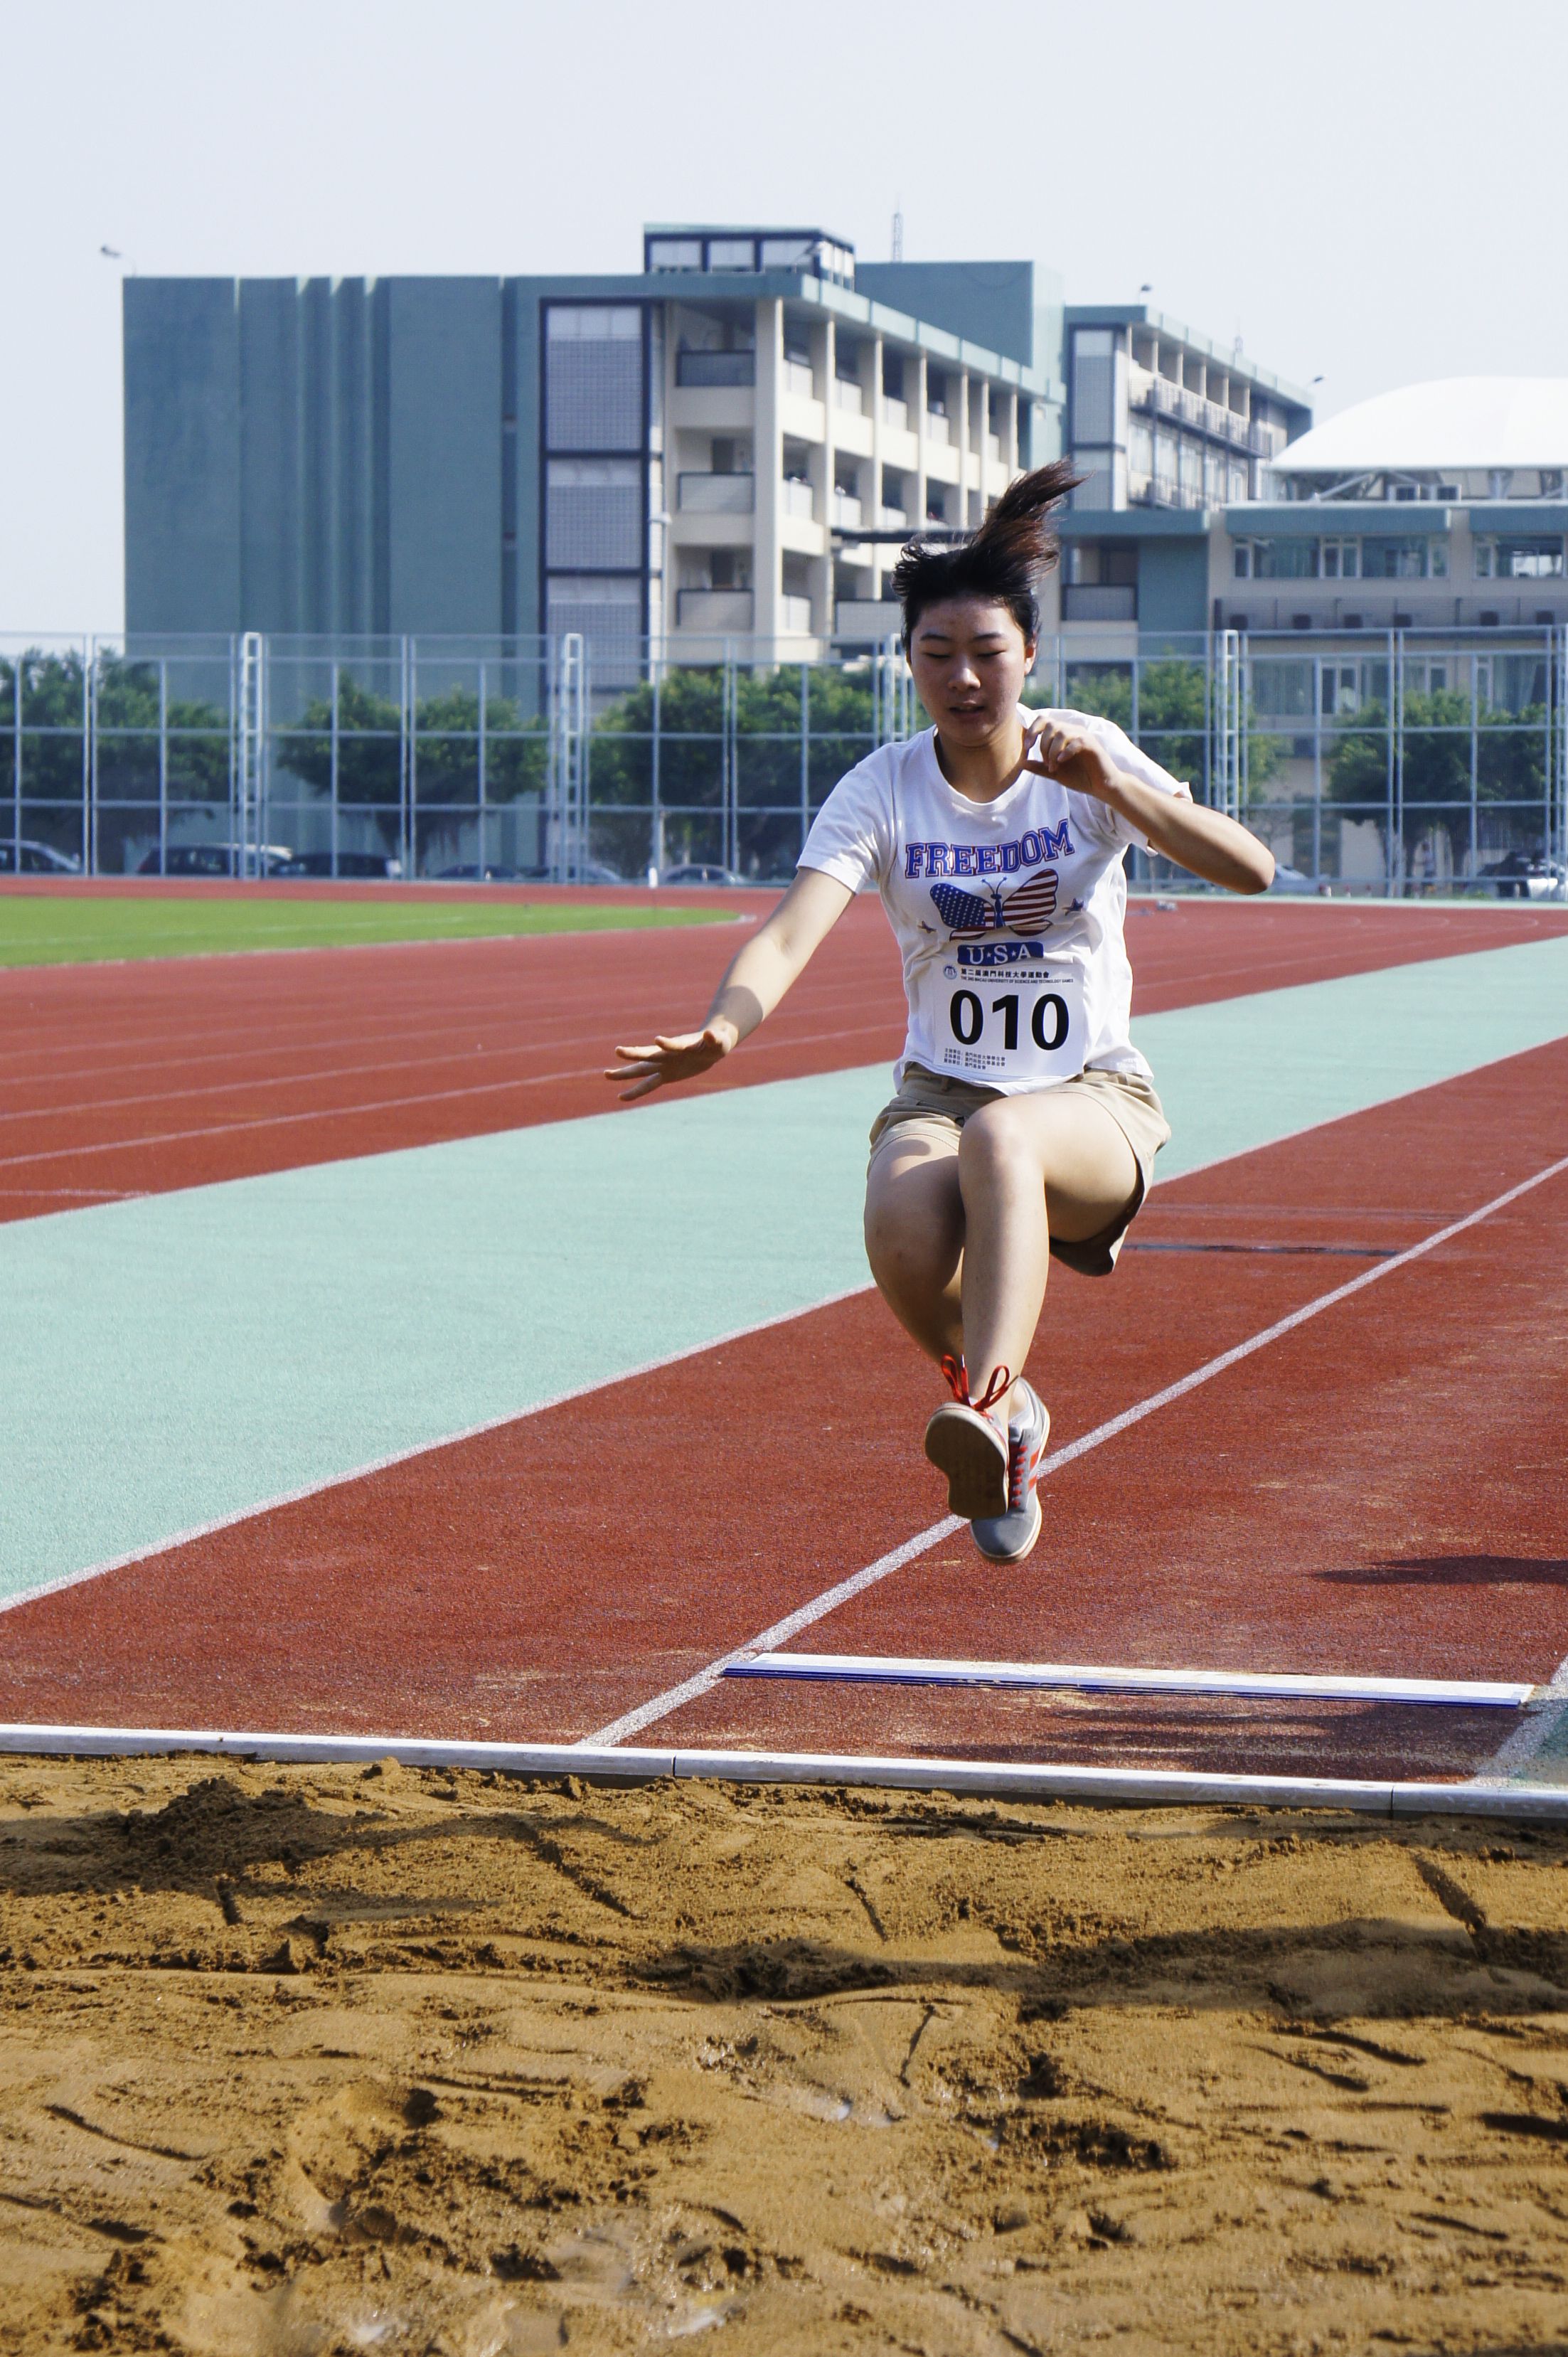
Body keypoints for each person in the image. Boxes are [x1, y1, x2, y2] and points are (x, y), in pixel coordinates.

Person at [607, 462, 1274, 1564]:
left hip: (1089, 1099)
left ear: (1029, 656)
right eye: (936, 654)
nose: (963, 678)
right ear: (908, 661)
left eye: (987, 654)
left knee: (1002, 1136)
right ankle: (1005, 1418)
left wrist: (1119, 789)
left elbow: (1248, 868)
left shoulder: (1085, 757)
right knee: (900, 1221)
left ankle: (992, 1402)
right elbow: (790, 928)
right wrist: (725, 1027)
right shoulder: (881, 787)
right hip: (940, 1085)